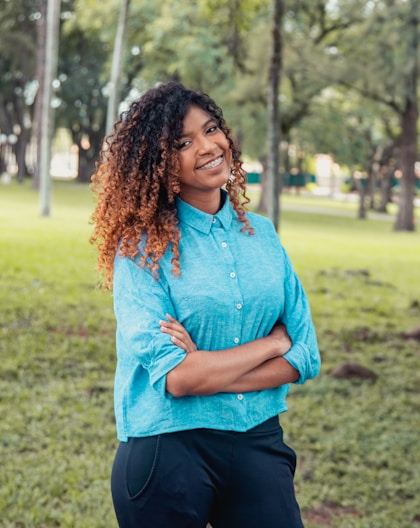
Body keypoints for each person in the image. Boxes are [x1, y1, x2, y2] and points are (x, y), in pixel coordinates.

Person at [90, 81, 320, 528]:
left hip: (258, 441)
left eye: (211, 129)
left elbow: (306, 356)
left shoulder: (263, 235)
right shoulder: (139, 250)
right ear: (158, 163)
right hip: (168, 448)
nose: (207, 146)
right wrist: (271, 345)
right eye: (183, 142)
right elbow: (178, 378)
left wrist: (207, 367)